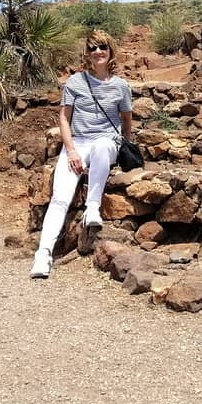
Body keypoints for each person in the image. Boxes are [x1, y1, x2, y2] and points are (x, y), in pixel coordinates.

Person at [30, 29, 133, 279]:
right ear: (87, 53)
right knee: (59, 198)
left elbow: (126, 119)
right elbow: (64, 119)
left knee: (102, 146)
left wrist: (125, 145)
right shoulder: (75, 82)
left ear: (110, 50)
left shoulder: (120, 86)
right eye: (92, 48)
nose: (98, 52)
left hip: (106, 142)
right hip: (79, 143)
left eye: (102, 47)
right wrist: (71, 150)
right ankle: (43, 254)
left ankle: (93, 207)